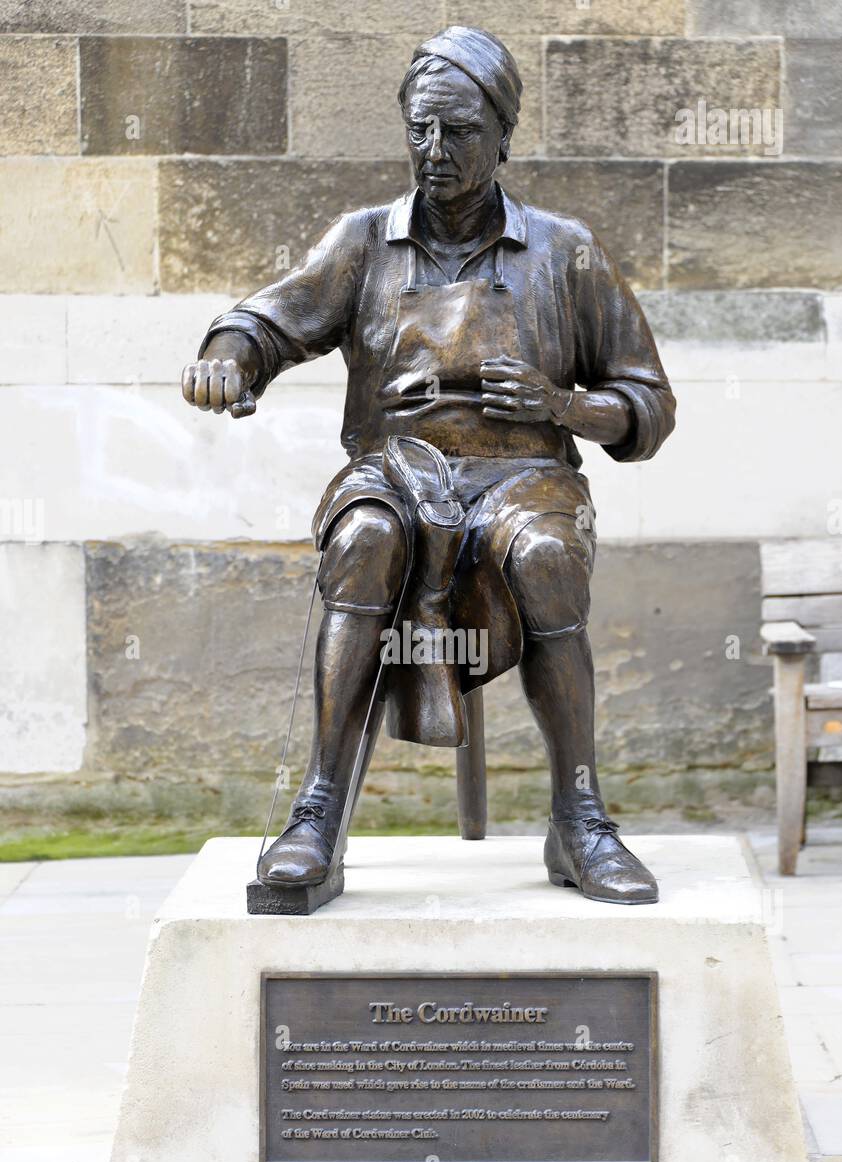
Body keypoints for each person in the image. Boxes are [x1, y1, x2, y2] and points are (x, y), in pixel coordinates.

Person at [182, 26, 676, 905]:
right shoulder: (364, 240)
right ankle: (318, 814)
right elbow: (265, 320)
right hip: (395, 473)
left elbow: (646, 405)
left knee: (546, 559)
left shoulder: (564, 250)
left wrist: (558, 406)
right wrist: (228, 357)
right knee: (366, 536)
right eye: (419, 129)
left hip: (527, 481)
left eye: (456, 131)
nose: (433, 151)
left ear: (502, 136)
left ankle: (580, 819)